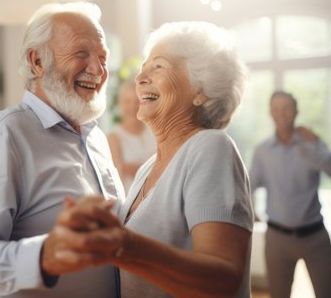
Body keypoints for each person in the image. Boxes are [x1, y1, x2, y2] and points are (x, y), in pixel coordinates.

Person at [46, 21, 254, 297]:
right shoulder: (148, 168)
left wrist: (123, 246)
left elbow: (223, 279)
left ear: (200, 90)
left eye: (158, 66)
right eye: (143, 67)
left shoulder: (210, 146)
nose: (141, 77)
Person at [0, 1, 125, 298]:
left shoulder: (96, 138)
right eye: (81, 53)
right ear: (37, 61)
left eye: (102, 56)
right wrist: (43, 256)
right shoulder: (3, 134)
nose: (98, 69)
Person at [249, 91, 331, 298]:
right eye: (276, 108)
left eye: (287, 108)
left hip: (315, 237)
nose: (282, 113)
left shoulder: (312, 144)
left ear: (296, 111)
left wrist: (316, 143)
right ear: (271, 113)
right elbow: (248, 186)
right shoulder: (262, 151)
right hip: (277, 239)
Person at [108, 80, 156, 192]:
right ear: (120, 104)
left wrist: (135, 169)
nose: (133, 106)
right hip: (132, 203)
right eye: (127, 101)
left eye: (137, 101)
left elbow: (168, 167)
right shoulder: (114, 138)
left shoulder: (154, 130)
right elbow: (117, 179)